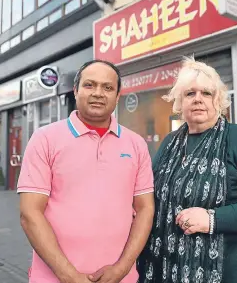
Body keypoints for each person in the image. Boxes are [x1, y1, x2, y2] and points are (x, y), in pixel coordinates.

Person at [137, 57, 237, 283]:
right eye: (190, 94)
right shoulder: (170, 143)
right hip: (172, 264)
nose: (198, 99)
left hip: (230, 266)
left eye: (206, 93)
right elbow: (150, 191)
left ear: (218, 100)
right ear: (179, 102)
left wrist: (212, 219)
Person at [18, 60, 155, 283]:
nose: (98, 93)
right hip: (54, 278)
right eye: (90, 85)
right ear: (76, 90)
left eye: (108, 87)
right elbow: (29, 213)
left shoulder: (136, 144)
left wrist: (121, 269)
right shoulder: (45, 139)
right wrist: (69, 276)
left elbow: (145, 209)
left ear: (118, 95)